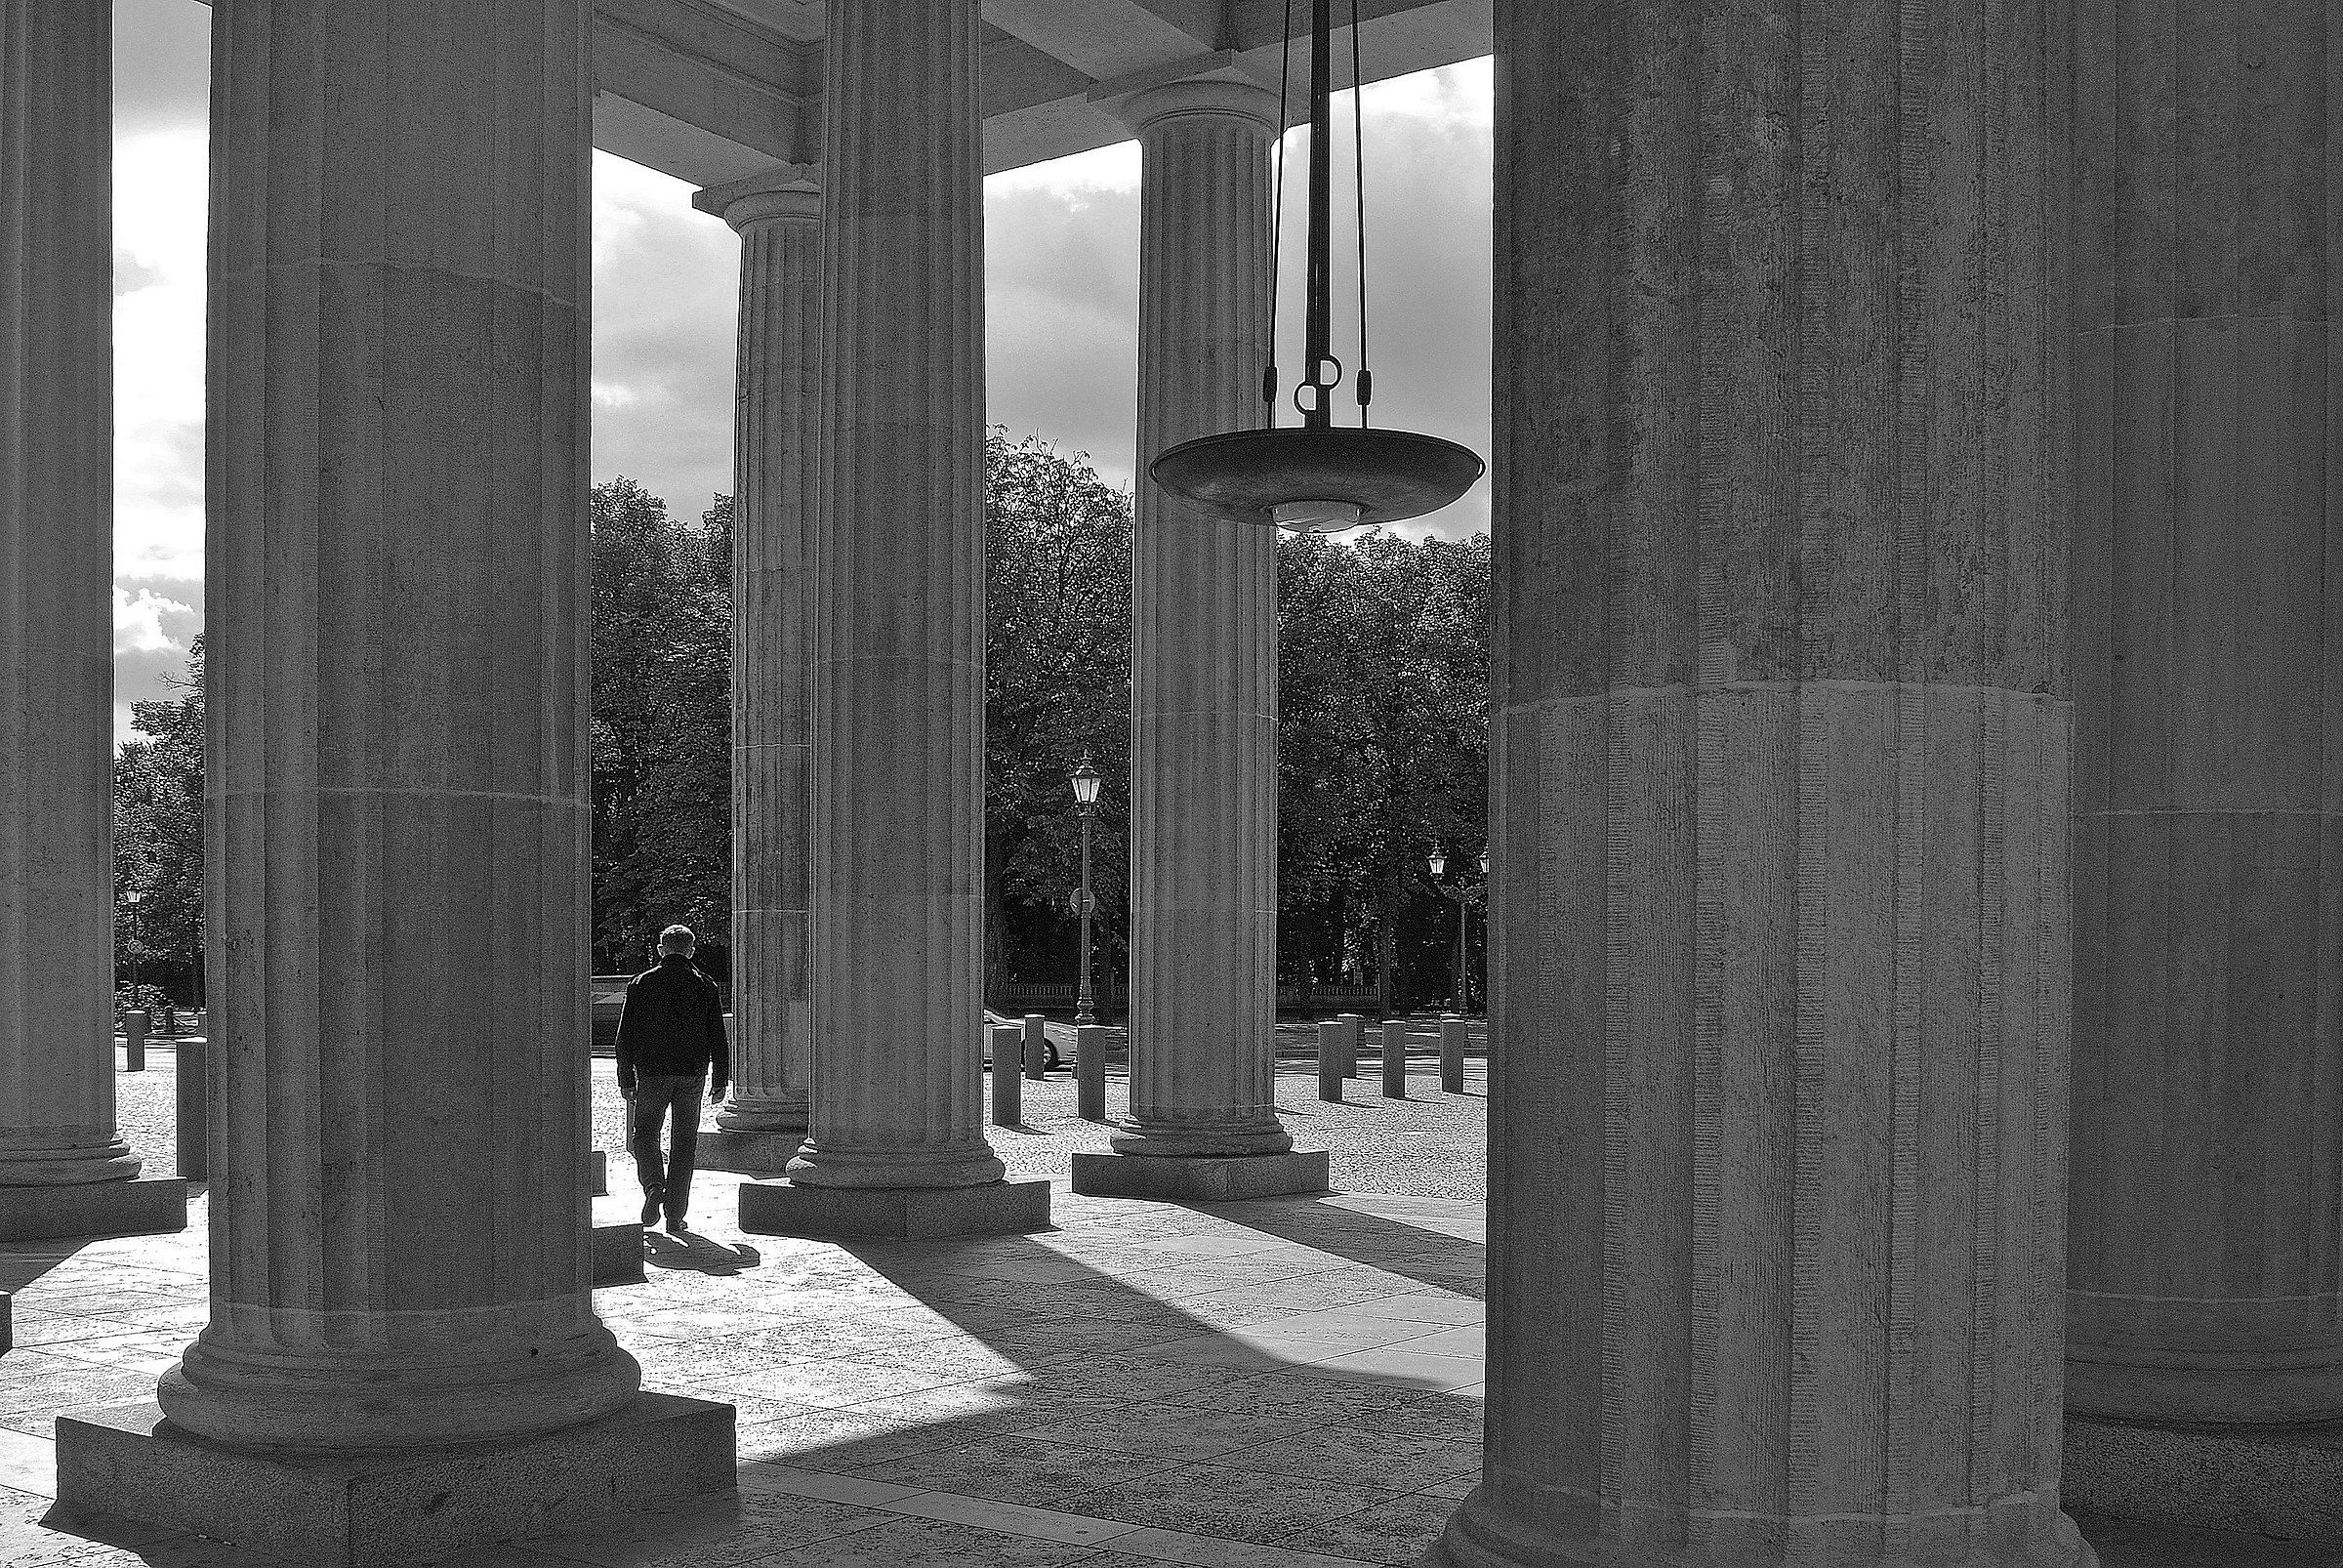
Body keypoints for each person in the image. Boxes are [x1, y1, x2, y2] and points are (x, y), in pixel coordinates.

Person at [614, 925, 729, 1232]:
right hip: (692, 1073)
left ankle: (653, 1185)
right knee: (684, 1142)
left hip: (651, 1072)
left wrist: (626, 1077)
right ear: (691, 950)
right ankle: (675, 1215)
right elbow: (717, 1035)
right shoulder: (705, 984)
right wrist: (720, 1077)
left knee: (646, 1135)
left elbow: (624, 1036)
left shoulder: (641, 983)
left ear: (661, 949)